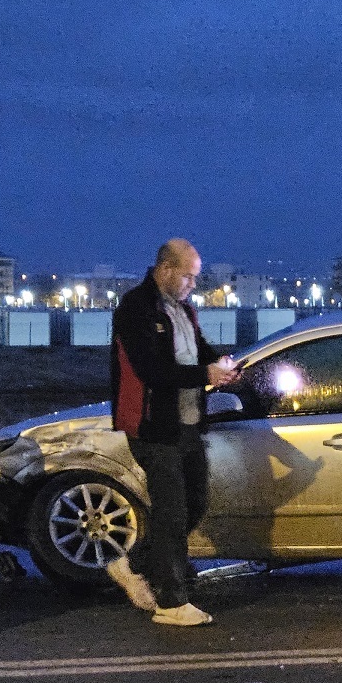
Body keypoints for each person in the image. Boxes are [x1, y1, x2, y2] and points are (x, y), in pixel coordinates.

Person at [108, 238, 237, 626]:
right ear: (166, 269)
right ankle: (171, 601)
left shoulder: (182, 310)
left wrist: (221, 363)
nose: (192, 284)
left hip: (186, 424)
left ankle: (133, 564)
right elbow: (151, 370)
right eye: (188, 276)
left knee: (195, 501)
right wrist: (205, 374)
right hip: (152, 427)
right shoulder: (136, 309)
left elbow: (198, 350)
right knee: (171, 511)